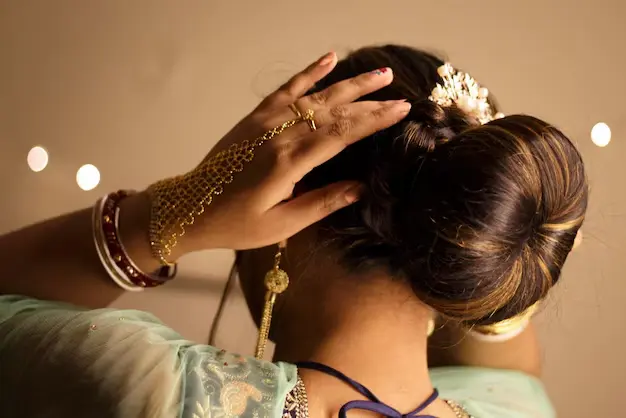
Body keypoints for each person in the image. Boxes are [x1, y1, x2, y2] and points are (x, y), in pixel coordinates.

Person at [0, 45, 587, 418]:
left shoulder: (162, 392)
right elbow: (508, 365)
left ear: (283, 213)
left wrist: (181, 208)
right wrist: (492, 226)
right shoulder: (516, 408)